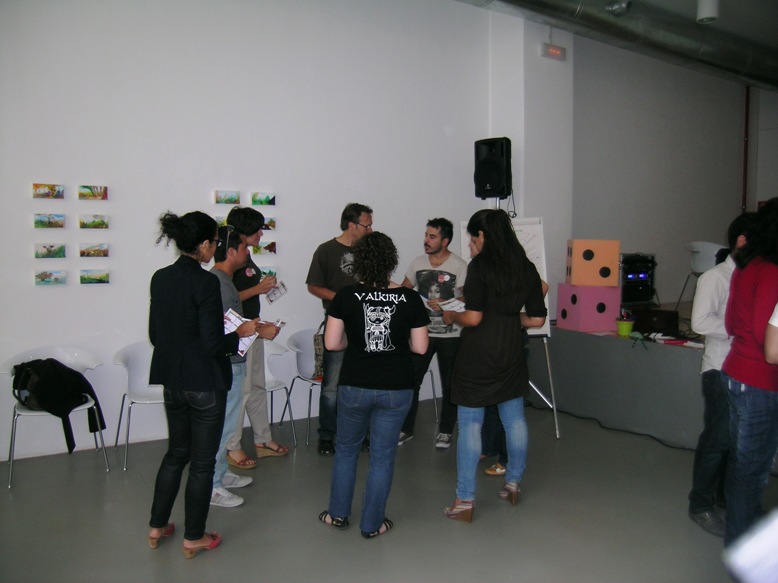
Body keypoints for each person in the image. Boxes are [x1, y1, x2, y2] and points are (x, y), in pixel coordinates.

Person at [147, 211, 258, 558]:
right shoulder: (206, 282)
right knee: (202, 462)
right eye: (214, 242)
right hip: (205, 383)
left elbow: (155, 335)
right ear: (205, 244)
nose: (215, 248)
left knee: (175, 454)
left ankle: (157, 526)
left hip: (172, 380)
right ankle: (194, 536)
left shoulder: (160, 278)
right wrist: (240, 333)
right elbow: (213, 345)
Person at [318, 232, 429, 538]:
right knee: (382, 456)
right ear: (391, 260)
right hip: (396, 387)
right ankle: (372, 524)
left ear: (359, 262)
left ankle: (337, 514)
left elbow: (332, 343)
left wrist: (354, 343)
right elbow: (420, 348)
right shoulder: (410, 298)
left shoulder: (345, 295)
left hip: (355, 385)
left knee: (346, 450)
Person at [441, 209, 547, 522]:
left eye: (473, 237)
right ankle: (513, 483)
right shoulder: (525, 267)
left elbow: (473, 317)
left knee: (470, 423)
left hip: (478, 353)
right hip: (511, 350)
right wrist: (510, 319)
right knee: (514, 420)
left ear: (483, 235)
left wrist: (452, 316)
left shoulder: (480, 266)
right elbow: (537, 319)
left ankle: (465, 499)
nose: (470, 243)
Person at [687, 213, 754, 536]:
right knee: (718, 439)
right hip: (719, 368)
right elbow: (700, 323)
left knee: (738, 441)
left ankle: (725, 498)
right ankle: (700, 505)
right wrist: (741, 329)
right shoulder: (715, 278)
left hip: (745, 369)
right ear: (742, 240)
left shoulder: (752, 276)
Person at [721, 197, 778, 547]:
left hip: (737, 373)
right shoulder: (771, 271)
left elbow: (731, 323)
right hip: (758, 382)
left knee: (743, 467)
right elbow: (767, 341)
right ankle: (742, 550)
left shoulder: (748, 265)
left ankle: (740, 539)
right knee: (751, 472)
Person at [208, 225, 274, 507]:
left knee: (226, 424)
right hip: (228, 363)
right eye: (244, 248)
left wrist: (257, 327)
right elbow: (222, 330)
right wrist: (254, 330)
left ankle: (220, 475)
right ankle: (212, 486)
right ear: (232, 251)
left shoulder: (224, 281)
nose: (248, 252)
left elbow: (234, 324)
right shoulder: (219, 283)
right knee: (222, 427)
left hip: (235, 360)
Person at [306, 203, 374, 456]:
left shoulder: (369, 251)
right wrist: (342, 298)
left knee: (365, 380)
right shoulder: (326, 250)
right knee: (332, 383)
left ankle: (363, 434)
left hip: (368, 322)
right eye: (367, 225)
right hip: (338, 322)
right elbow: (314, 285)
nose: (370, 229)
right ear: (352, 225)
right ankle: (327, 436)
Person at [397, 218, 468, 448]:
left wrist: (446, 303)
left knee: (450, 385)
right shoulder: (417, 263)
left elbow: (468, 297)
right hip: (421, 334)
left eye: (432, 236)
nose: (426, 240)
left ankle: (445, 431)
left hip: (451, 336)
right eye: (426, 235)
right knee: (411, 382)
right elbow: (404, 291)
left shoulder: (459, 265)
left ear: (445, 241)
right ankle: (406, 429)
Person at [224, 207, 286, 469]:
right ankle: (232, 445)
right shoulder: (228, 260)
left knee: (257, 386)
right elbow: (227, 298)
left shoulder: (246, 257)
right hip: (239, 332)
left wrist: (262, 290)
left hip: (253, 327)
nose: (261, 234)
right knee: (241, 391)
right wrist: (258, 288)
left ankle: (263, 438)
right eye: (258, 229)